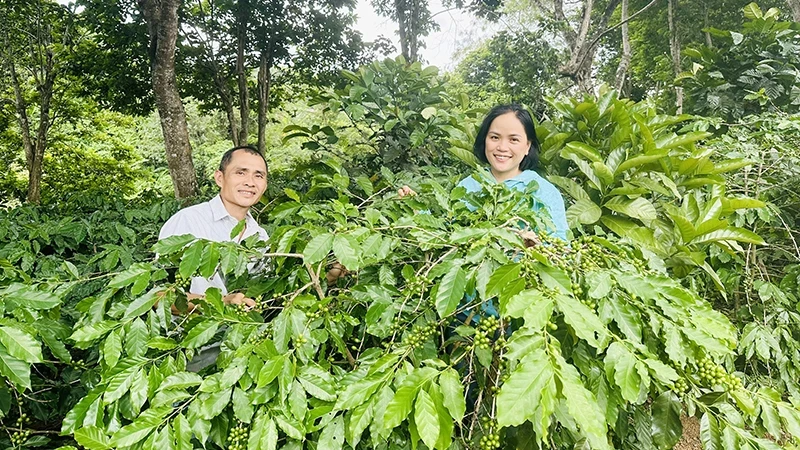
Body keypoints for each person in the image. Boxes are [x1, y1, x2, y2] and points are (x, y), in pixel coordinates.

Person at [399, 104, 569, 241]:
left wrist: (536, 248)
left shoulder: (544, 192)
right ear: (484, 140)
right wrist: (417, 209)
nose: (502, 147)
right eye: (494, 137)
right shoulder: (469, 185)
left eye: (514, 140)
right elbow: (447, 234)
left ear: (527, 146)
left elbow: (562, 245)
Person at [159, 144, 269, 311]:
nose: (250, 182)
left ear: (265, 185)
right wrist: (221, 301)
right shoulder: (188, 220)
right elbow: (160, 296)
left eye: (258, 176)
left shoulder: (261, 237)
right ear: (219, 178)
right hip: (189, 334)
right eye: (240, 173)